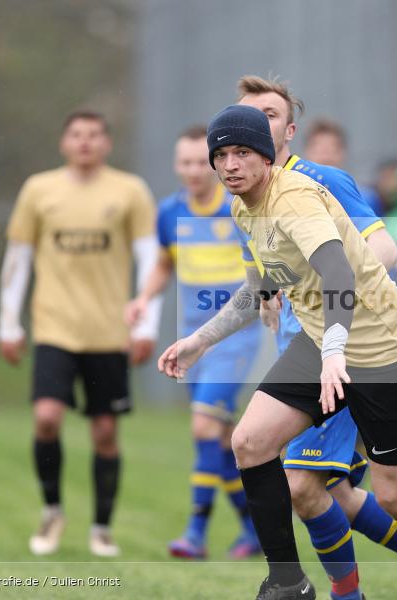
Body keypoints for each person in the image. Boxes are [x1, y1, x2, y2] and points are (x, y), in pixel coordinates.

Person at [158, 104, 397, 600]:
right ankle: (288, 582)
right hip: (321, 344)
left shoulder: (293, 199)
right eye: (221, 154)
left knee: (396, 495)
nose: (229, 164)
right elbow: (260, 287)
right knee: (250, 442)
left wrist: (336, 352)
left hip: (388, 353)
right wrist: (200, 340)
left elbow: (339, 273)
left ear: (268, 155)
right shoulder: (243, 205)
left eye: (242, 152)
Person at [234, 75, 397, 598]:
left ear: (288, 129)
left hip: (342, 350)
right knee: (335, 494)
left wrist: (321, 290)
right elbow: (265, 279)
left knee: (303, 486)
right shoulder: (250, 198)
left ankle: (342, 594)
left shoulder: (321, 180)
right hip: (302, 353)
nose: (256, 125)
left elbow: (384, 253)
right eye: (247, 117)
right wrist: (268, 295)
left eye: (268, 115)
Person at [0, 110, 159, 557]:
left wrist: (145, 324)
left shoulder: (130, 191)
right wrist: (8, 324)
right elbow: (18, 258)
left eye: (94, 135)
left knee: (105, 432)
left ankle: (102, 528)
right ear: (63, 142)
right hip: (54, 327)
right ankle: (52, 511)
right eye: (76, 135)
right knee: (46, 418)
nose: (85, 142)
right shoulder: (39, 189)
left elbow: (150, 259)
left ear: (106, 143)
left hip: (109, 332)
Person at [125, 125, 262, 559]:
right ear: (175, 166)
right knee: (220, 443)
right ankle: (253, 530)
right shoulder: (169, 213)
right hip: (193, 341)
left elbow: (263, 263)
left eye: (199, 161)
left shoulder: (237, 207)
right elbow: (165, 262)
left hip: (237, 336)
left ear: (215, 163)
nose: (193, 171)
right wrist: (144, 297)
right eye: (183, 162)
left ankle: (195, 534)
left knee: (203, 427)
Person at [303, 116, 384, 217]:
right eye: (319, 149)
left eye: (332, 149)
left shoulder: (365, 197)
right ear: (307, 152)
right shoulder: (294, 195)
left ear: (343, 152)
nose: (326, 155)